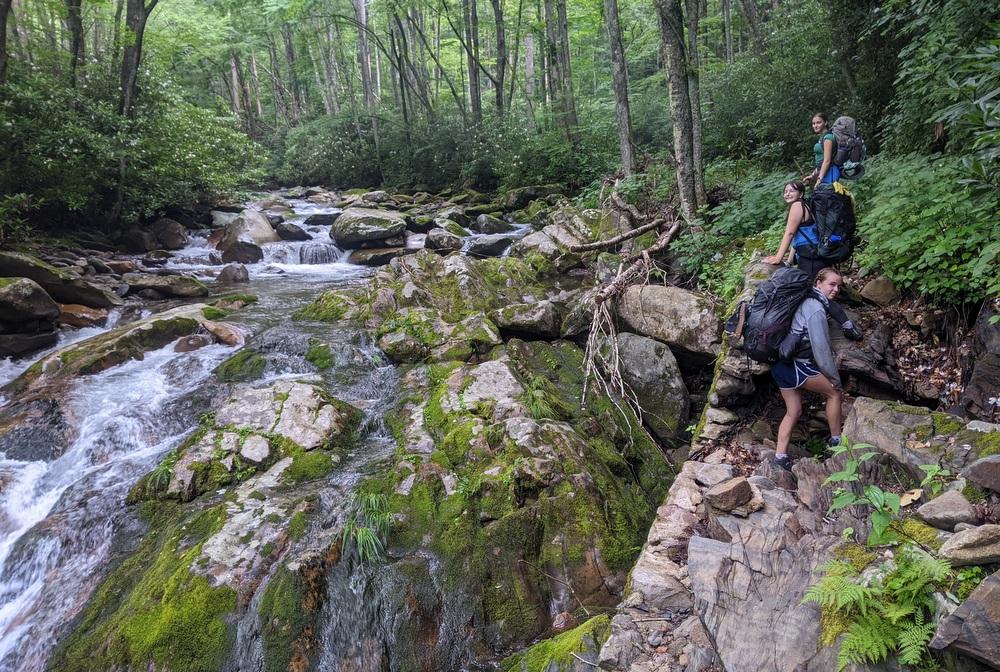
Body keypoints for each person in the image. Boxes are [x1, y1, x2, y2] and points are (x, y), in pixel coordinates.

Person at [763, 182, 863, 341]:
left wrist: (778, 258)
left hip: (811, 259)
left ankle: (846, 325)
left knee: (817, 294)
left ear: (800, 194)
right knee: (813, 294)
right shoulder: (806, 205)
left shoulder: (797, 206)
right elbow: (800, 236)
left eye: (792, 191)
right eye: (785, 191)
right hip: (813, 256)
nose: (787, 194)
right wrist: (789, 260)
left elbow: (789, 233)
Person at [770, 268, 845, 470]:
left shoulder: (804, 300)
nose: (836, 289)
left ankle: (779, 456)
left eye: (839, 286)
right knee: (834, 392)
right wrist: (833, 377)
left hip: (780, 365)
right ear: (818, 283)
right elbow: (821, 350)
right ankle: (836, 440)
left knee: (793, 410)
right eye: (832, 284)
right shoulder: (815, 308)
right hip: (797, 367)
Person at [804, 113, 840, 187]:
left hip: (830, 172)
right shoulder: (822, 137)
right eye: (813, 123)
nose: (815, 126)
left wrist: (820, 178)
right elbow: (821, 160)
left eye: (818, 122)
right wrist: (813, 175)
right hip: (824, 172)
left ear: (825, 122)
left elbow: (827, 160)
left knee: (827, 195)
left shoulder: (828, 138)